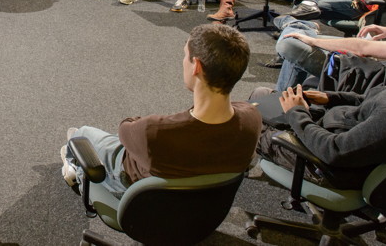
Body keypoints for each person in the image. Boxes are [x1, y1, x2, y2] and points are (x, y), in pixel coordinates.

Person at [60, 24, 261, 197]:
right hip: (204, 212)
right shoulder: (252, 119)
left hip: (134, 189)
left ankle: (76, 172)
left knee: (80, 134)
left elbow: (126, 127)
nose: (183, 60)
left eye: (185, 55)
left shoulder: (154, 130)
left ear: (196, 66)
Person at [253, 7, 386, 188]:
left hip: (325, 166)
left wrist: (296, 113)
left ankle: (230, 179)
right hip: (336, 130)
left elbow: (334, 150)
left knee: (251, 115)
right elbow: (370, 100)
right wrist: (331, 97)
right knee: (264, 96)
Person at [273, 15, 386, 91]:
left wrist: (314, 41)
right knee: (296, 41)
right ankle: (280, 101)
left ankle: (297, 24)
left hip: (371, 75)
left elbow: (363, 48)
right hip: (371, 58)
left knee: (289, 45)